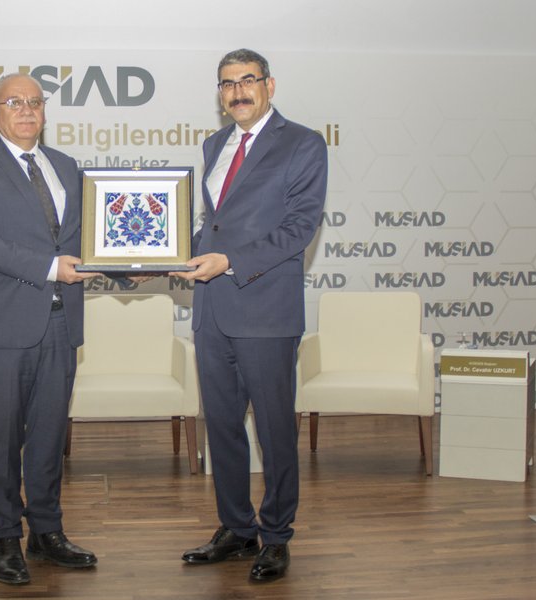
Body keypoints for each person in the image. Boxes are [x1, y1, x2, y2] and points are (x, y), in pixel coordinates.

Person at [171, 48, 328, 582]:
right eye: (227, 83)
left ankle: (277, 535)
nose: (237, 92)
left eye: (247, 80)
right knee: (222, 427)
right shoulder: (215, 144)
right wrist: (171, 255)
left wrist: (230, 261)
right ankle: (237, 528)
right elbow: (214, 226)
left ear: (269, 85)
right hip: (213, 310)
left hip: (265, 310)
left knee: (274, 431)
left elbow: (299, 227)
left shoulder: (302, 143)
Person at [0, 73, 99, 586]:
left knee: (49, 437)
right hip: (0, 327)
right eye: (14, 102)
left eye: (35, 101)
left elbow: (86, 239)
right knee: (2, 438)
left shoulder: (66, 166)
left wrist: (129, 265)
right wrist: (51, 268)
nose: (27, 110)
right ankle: (5, 537)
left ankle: (47, 532)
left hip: (60, 323)